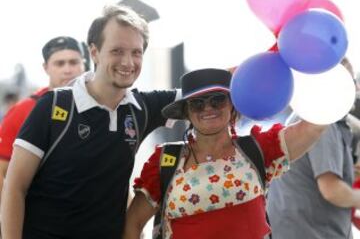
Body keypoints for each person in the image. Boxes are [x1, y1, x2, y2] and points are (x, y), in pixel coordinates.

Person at [1, 5, 177, 239]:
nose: (128, 62)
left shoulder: (140, 108)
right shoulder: (52, 106)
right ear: (94, 52)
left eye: (136, 52)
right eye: (117, 51)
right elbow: (14, 187)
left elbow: (203, 90)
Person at [123, 68, 328, 239]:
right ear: (186, 112)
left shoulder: (258, 149)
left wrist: (313, 69)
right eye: (197, 103)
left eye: (217, 99)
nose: (208, 108)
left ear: (232, 103)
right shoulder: (164, 162)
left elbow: (314, 127)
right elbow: (133, 224)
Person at [266, 60, 360, 239]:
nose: (354, 89)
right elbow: (331, 190)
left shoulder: (306, 116)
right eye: (349, 83)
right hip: (308, 232)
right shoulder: (322, 121)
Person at [0, 36, 85, 204]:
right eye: (60, 63)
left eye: (74, 62)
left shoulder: (100, 107)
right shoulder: (23, 110)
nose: (68, 70)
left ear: (84, 64)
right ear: (46, 68)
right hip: (38, 218)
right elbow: (2, 170)